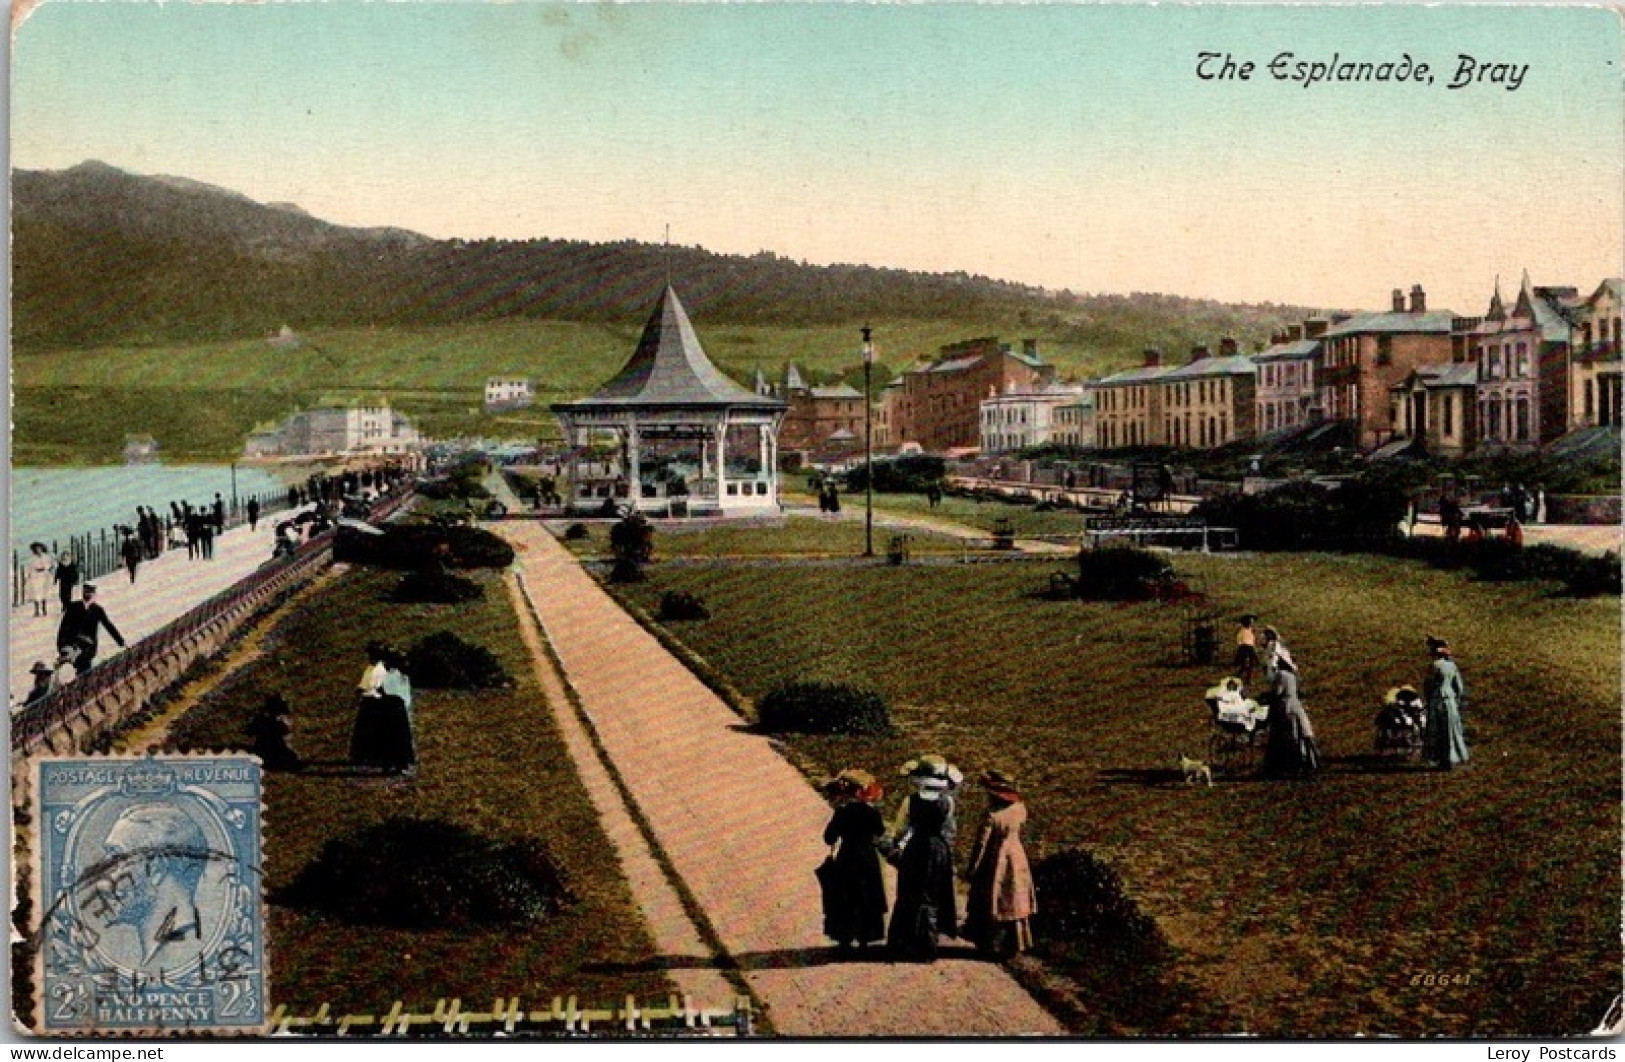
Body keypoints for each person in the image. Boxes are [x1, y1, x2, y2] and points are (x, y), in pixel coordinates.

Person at [99, 804, 210, 971]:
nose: (101, 884)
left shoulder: (184, 954)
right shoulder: (188, 954)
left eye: (116, 857)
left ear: (156, 868)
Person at [884, 755, 962, 962]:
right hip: (938, 850)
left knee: (911, 894)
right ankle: (929, 944)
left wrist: (895, 845)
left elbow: (900, 828)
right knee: (933, 895)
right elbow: (950, 829)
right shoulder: (948, 802)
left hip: (916, 849)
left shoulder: (910, 801)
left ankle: (905, 941)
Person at [963, 770, 1037, 959]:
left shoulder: (992, 816)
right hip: (1016, 854)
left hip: (995, 857)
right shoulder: (1020, 809)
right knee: (1013, 897)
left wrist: (973, 868)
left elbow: (981, 844)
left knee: (992, 898)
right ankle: (1013, 943)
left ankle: (989, 942)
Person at [819, 769, 888, 956]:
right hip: (867, 858)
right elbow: (880, 832)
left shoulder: (842, 812)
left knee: (846, 898)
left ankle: (844, 939)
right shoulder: (871, 812)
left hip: (847, 858)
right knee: (867, 898)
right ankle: (866, 939)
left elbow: (828, 837)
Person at [1260, 667, 1321, 779]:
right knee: (1299, 736)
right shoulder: (1291, 676)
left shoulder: (1281, 675)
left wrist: (1266, 697)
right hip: (1294, 707)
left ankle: (1289, 766)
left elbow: (1278, 692)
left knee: (1288, 738)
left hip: (1285, 709)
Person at [56, 584, 125, 676]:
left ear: (93, 593)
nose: (87, 593)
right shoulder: (73, 607)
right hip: (71, 646)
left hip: (87, 648)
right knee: (66, 673)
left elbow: (108, 626)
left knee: (84, 673)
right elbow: (63, 627)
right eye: (85, 591)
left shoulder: (97, 610)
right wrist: (62, 646)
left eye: (89, 591)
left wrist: (121, 642)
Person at [1423, 636, 1470, 770]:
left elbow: (1428, 686)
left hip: (1437, 700)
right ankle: (1454, 756)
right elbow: (1459, 687)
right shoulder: (1452, 666)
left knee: (1438, 730)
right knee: (1451, 729)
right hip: (1450, 701)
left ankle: (1441, 758)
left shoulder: (1434, 666)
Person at [248, 694, 301, 772]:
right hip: (274, 754)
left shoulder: (260, 719)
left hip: (260, 754)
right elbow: (286, 734)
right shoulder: (279, 722)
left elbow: (249, 732)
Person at [25, 543, 55, 617]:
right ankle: (36, 611)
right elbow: (29, 568)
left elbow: (52, 564)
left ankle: (44, 610)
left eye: (39, 548)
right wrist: (28, 576)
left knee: (44, 593)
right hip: (36, 576)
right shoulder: (32, 558)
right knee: (36, 593)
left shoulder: (46, 557)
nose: (38, 550)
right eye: (36, 549)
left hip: (44, 575)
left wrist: (50, 569)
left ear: (42, 549)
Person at [1232, 614, 1260, 684]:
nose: (1251, 623)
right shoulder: (1242, 630)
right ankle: (1237, 678)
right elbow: (1240, 640)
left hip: (1249, 648)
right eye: (1250, 622)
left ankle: (1247, 679)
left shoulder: (1250, 631)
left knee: (1250, 665)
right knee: (1245, 665)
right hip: (1244, 647)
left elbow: (1252, 641)